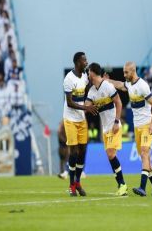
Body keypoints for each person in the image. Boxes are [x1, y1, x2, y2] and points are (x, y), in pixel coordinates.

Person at [105, 61, 152, 197]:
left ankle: (142, 188)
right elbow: (119, 85)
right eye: (123, 72)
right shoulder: (129, 84)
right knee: (145, 157)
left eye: (126, 72)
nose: (124, 74)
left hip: (147, 125)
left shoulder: (142, 86)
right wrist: (107, 81)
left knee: (144, 153)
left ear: (133, 71)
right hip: (137, 127)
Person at [85, 63, 128, 196]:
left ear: (92, 72)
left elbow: (119, 103)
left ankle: (122, 184)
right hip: (105, 128)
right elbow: (86, 106)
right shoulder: (92, 91)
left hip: (114, 126)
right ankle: (121, 184)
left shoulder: (107, 86)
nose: (87, 75)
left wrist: (116, 121)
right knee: (110, 156)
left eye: (88, 72)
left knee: (111, 154)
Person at [63, 52, 98, 197]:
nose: (86, 62)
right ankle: (71, 185)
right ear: (77, 62)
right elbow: (70, 102)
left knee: (83, 150)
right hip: (70, 119)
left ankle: (77, 181)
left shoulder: (84, 76)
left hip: (81, 119)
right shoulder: (68, 79)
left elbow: (91, 88)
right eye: (84, 60)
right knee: (74, 151)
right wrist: (86, 108)